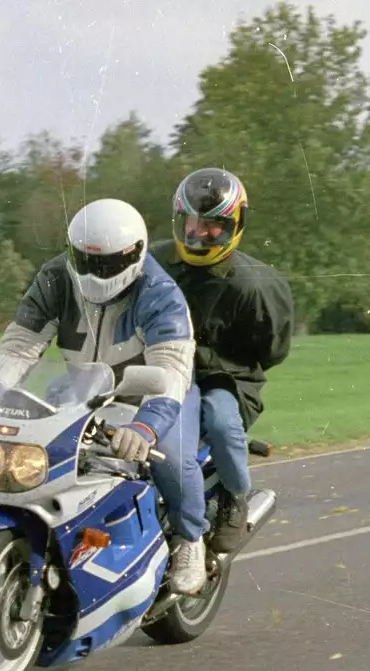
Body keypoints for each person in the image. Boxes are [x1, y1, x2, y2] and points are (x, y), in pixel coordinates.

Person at [0, 198, 208, 595]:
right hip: (85, 387)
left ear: (134, 254)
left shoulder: (160, 293)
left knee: (172, 457)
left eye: (106, 265)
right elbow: (20, 346)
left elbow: (172, 369)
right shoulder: (55, 277)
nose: (93, 273)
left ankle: (191, 540)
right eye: (84, 260)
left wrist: (147, 426)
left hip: (151, 396)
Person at [149, 168, 294, 554]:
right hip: (157, 369)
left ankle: (235, 497)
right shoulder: (154, 260)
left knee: (220, 422)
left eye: (214, 226)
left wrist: (218, 361)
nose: (199, 233)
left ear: (235, 225)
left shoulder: (256, 284)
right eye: (193, 222)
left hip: (225, 378)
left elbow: (273, 350)